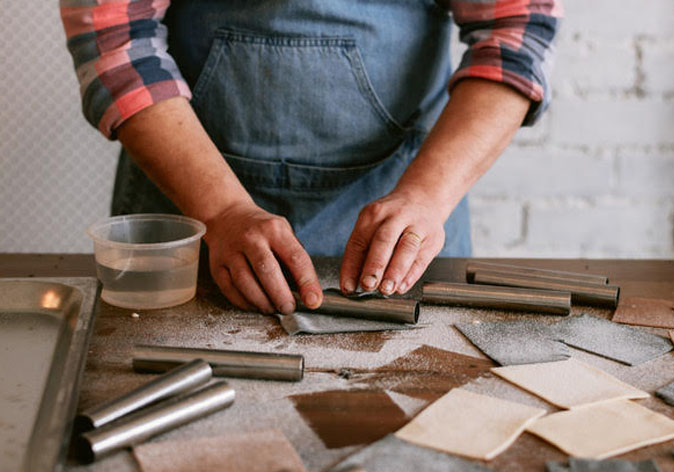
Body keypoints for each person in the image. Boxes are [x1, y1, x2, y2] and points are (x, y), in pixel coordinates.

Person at [60, 0, 562, 315]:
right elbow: (113, 38)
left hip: (402, 199)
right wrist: (222, 210)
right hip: (191, 216)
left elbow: (517, 33)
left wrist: (426, 195)